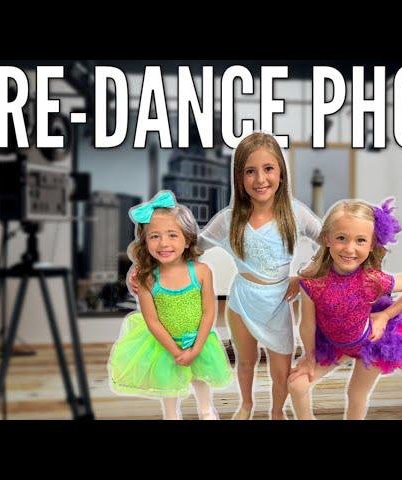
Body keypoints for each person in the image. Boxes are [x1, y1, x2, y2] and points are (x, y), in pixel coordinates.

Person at [130, 132, 322, 419]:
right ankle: (246, 404)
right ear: (239, 177)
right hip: (242, 301)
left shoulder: (295, 214)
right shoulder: (228, 219)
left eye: (268, 169)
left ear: (281, 173)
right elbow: (189, 247)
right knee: (245, 361)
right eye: (250, 171)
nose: (260, 179)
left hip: (278, 301)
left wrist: (304, 275)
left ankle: (277, 410)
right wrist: (141, 265)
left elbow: (329, 242)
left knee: (280, 367)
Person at [287, 198, 402, 420]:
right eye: (341, 238)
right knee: (296, 385)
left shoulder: (372, 280)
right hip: (335, 344)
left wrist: (384, 315)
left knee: (356, 393)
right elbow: (307, 324)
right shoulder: (312, 282)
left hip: (370, 341)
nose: (350, 249)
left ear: (372, 243)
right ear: (327, 239)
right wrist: (309, 355)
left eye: (360, 240)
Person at [108, 190, 232, 420]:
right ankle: (172, 415)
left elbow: (208, 311)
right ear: (145, 243)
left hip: (199, 340)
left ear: (187, 240)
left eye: (172, 235)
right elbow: (152, 321)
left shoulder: (202, 272)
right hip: (164, 345)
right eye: (154, 236)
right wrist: (175, 351)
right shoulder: (147, 279)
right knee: (168, 380)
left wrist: (196, 348)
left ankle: (206, 410)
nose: (163, 243)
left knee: (200, 376)